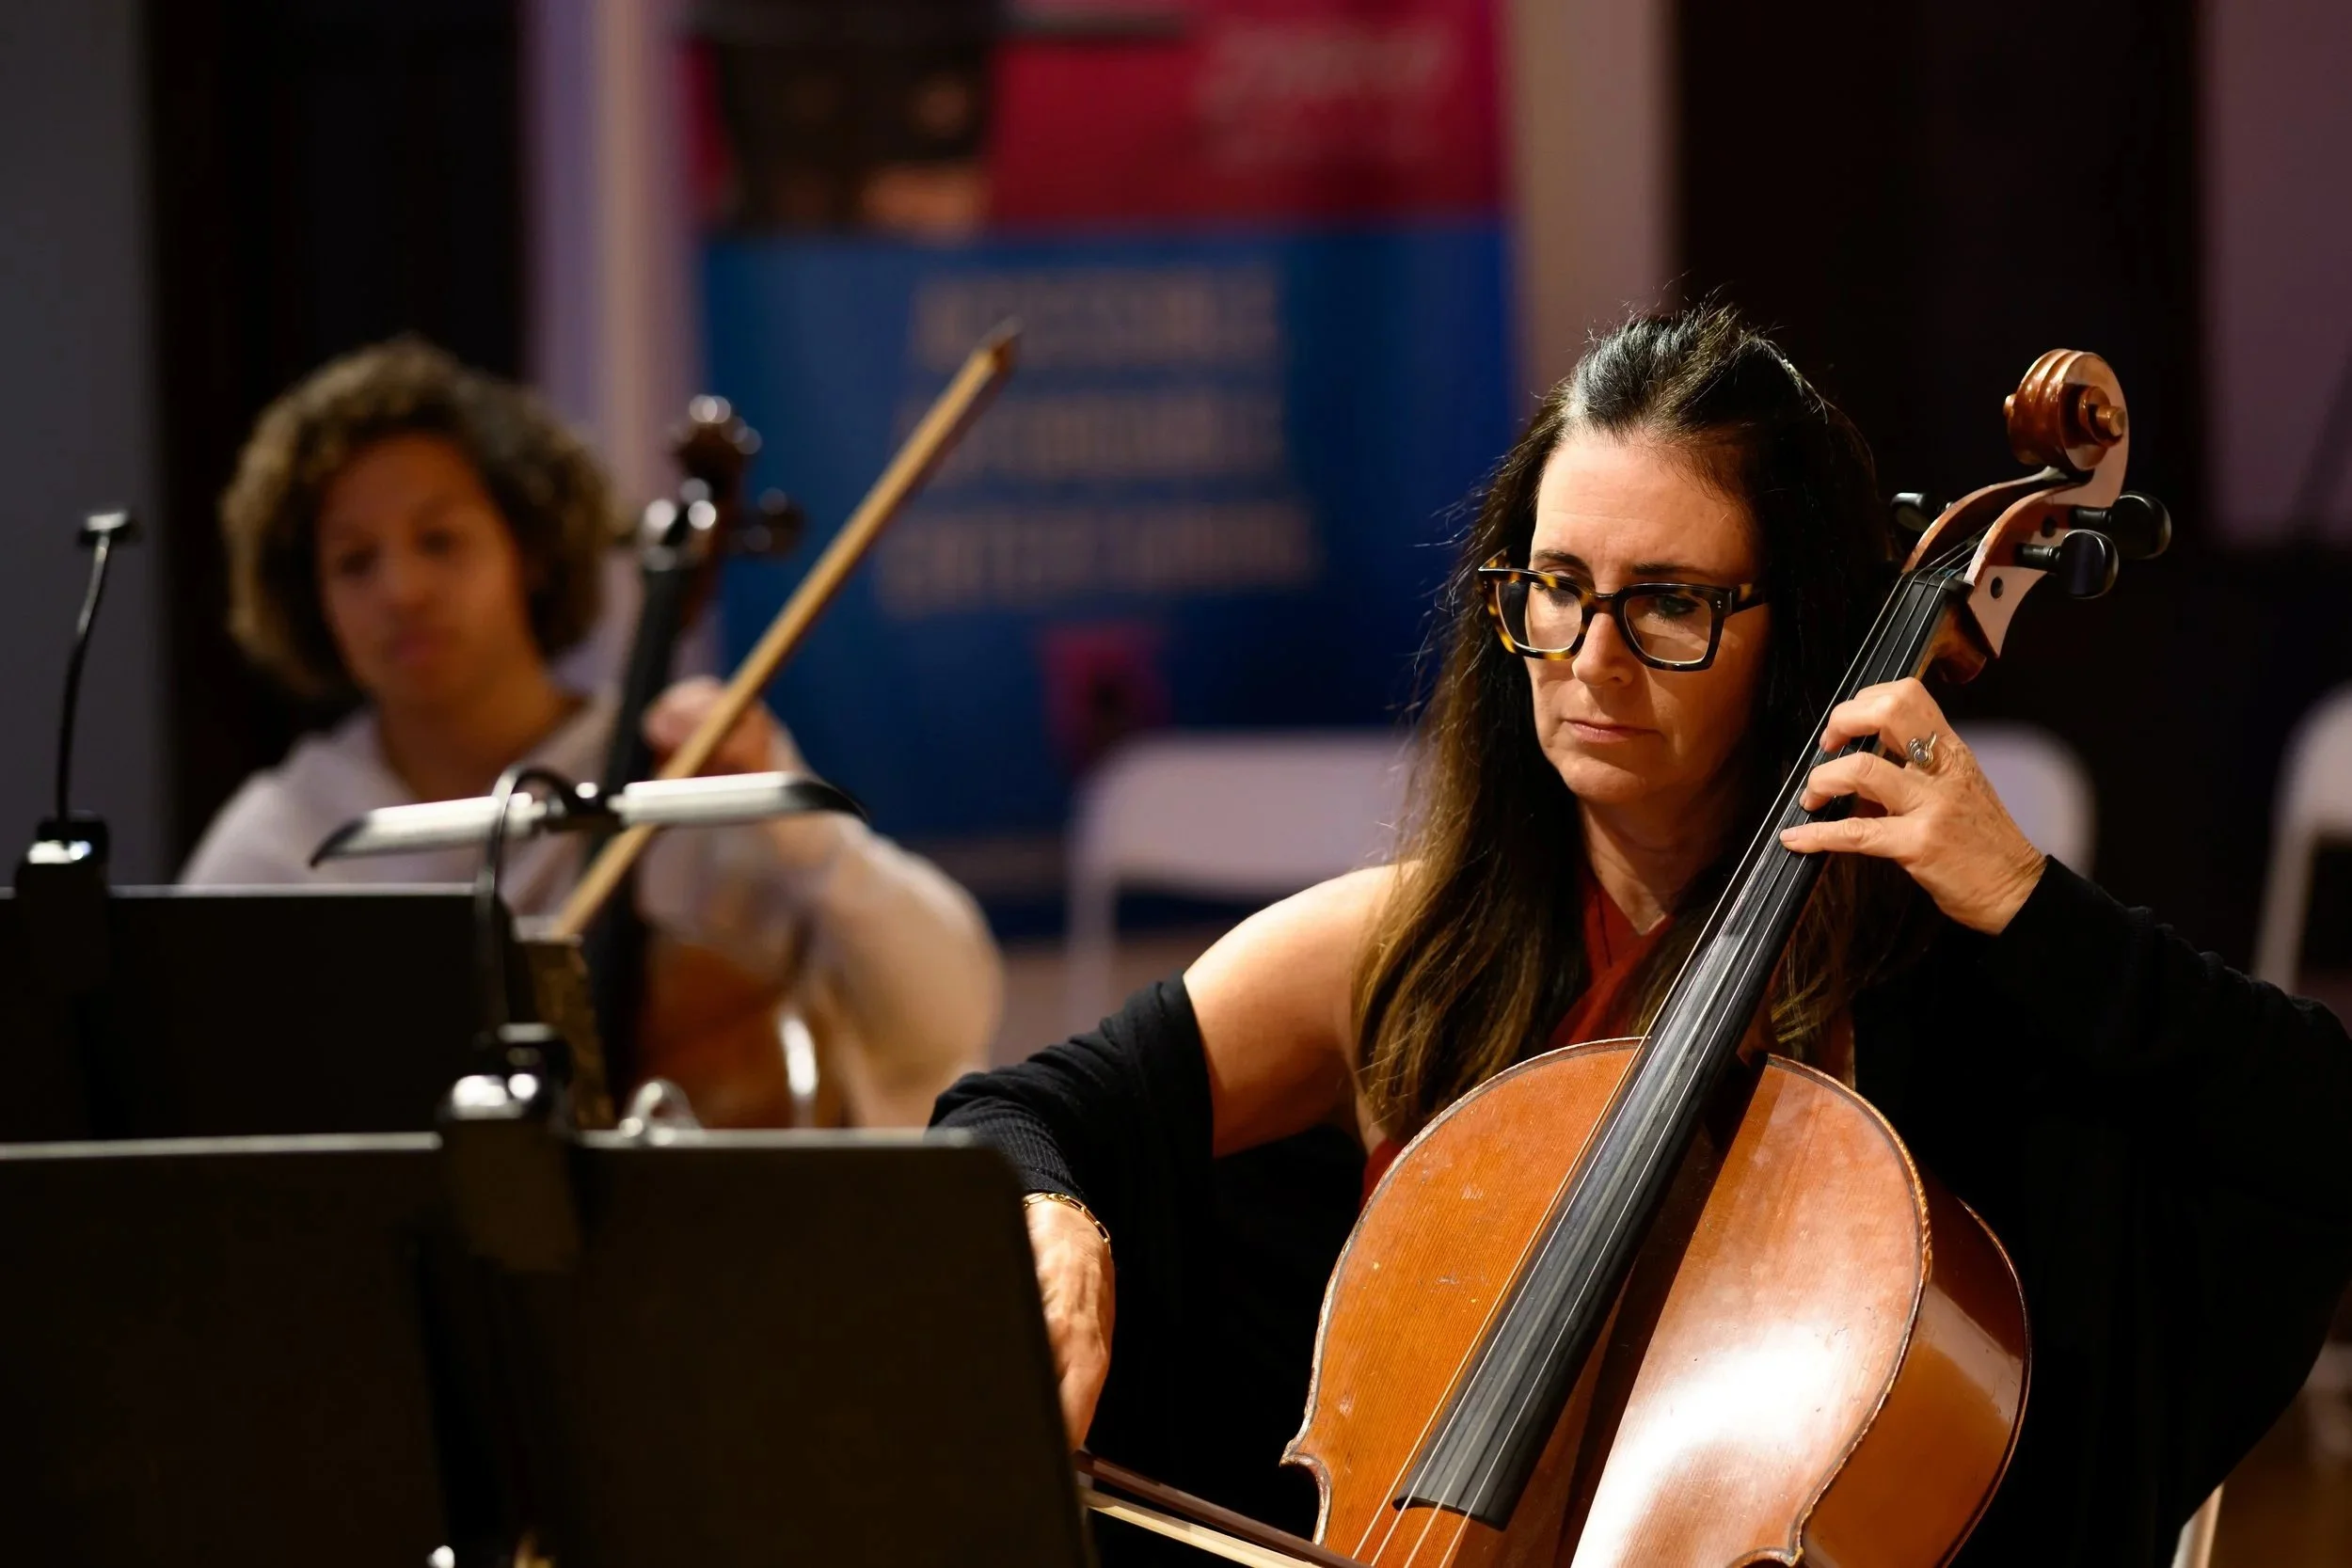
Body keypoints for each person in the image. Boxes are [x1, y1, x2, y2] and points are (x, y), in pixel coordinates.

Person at [935, 306, 2352, 1565]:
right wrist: (1051, 1217)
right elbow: (1008, 1109)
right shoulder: (1411, 943)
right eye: (1555, 587)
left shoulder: (1938, 980)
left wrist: (2031, 904)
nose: (1593, 658)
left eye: (1669, 602)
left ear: (1795, 629)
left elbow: (2318, 1121)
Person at [184, 338, 1003, 1128]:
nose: (400, 588)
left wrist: (805, 833)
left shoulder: (678, 779)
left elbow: (945, 1020)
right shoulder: (288, 840)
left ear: (529, 551)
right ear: (312, 599)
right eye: (354, 562)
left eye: (441, 540)